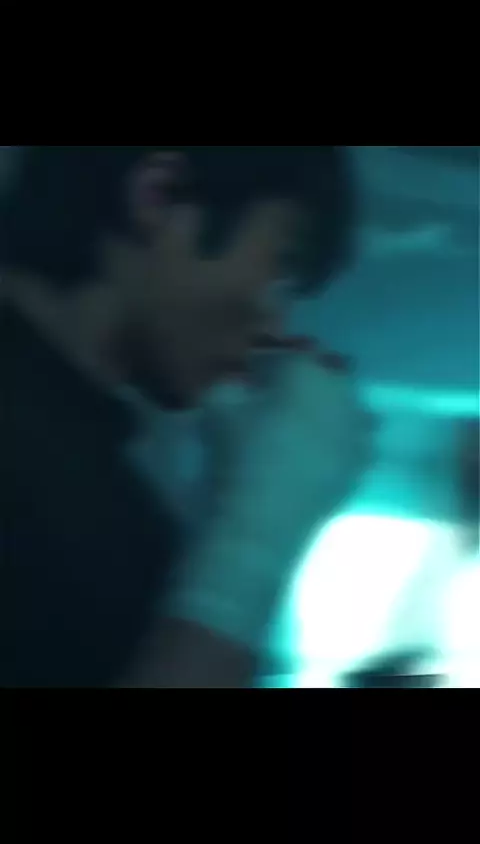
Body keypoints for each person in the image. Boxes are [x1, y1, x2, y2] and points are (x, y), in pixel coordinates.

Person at [1, 145, 367, 688]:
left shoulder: (92, 479)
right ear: (159, 194)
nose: (274, 323)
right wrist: (250, 551)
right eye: (280, 263)